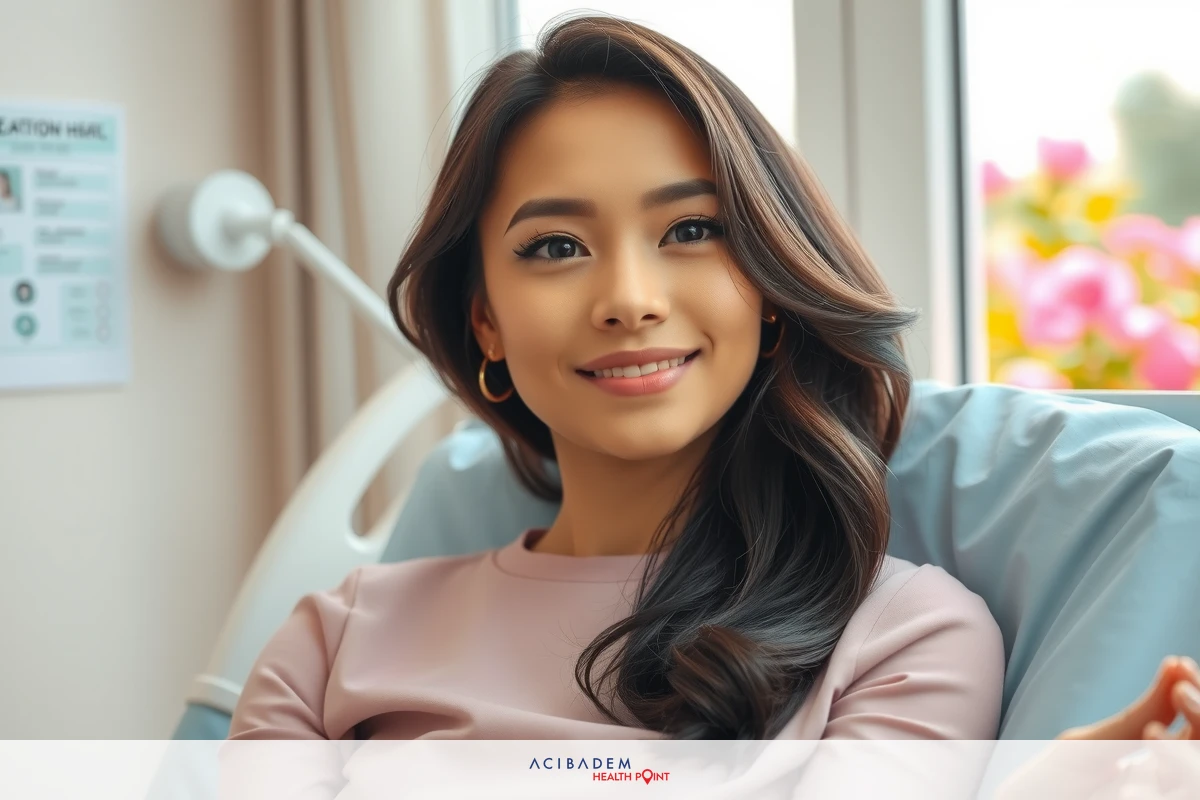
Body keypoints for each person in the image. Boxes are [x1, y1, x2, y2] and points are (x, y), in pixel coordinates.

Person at [228, 15, 1198, 758]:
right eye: (556, 246)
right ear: (484, 315)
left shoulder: (904, 638)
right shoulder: (333, 639)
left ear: (770, 289)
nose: (629, 298)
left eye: (691, 230)